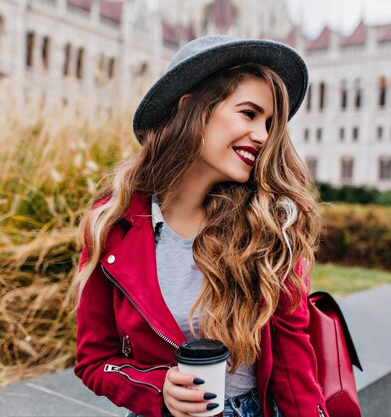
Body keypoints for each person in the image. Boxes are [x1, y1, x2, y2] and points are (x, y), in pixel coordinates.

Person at [72, 35, 329, 417]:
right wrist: (159, 387)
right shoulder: (113, 221)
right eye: (248, 113)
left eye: (269, 123)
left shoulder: (271, 226)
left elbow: (295, 368)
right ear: (191, 107)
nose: (262, 135)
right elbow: (94, 360)